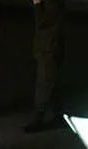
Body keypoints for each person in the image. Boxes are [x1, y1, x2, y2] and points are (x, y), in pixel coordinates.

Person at [24, 0, 64, 133]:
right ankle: (57, 113)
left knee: (44, 79)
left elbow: (45, 24)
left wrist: (37, 6)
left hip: (48, 46)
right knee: (51, 79)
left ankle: (40, 117)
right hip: (48, 45)